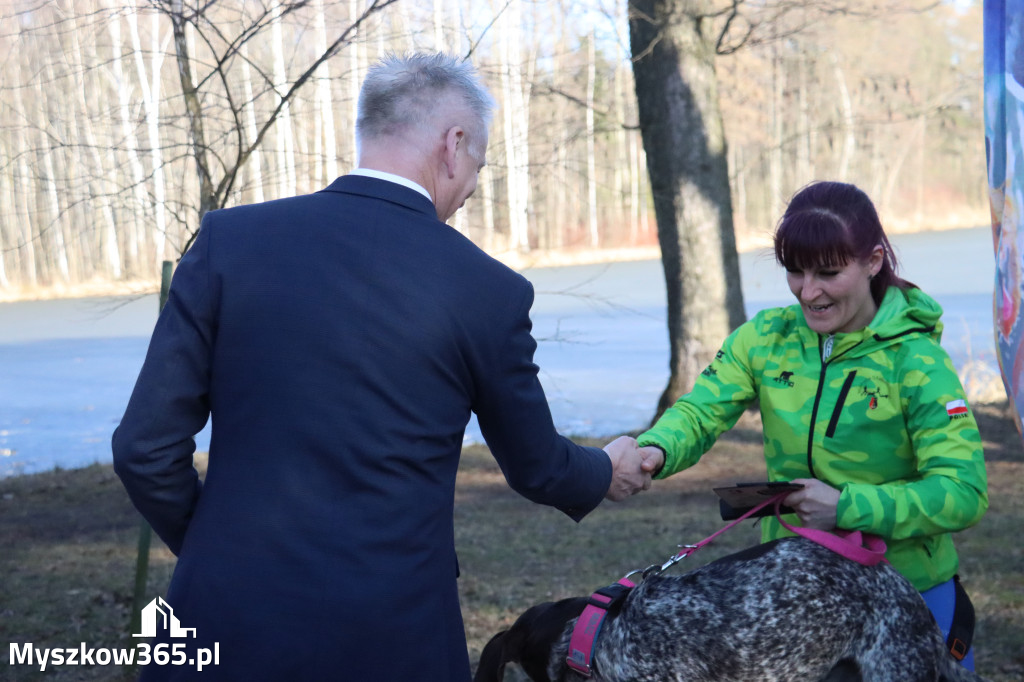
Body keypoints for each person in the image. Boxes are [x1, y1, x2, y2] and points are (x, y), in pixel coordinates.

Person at [112, 52, 651, 681]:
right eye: (477, 164)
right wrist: (603, 469)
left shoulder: (230, 242)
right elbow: (537, 467)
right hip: (393, 635)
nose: (472, 186)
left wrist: (213, 548)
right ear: (454, 145)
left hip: (221, 623)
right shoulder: (486, 289)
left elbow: (144, 447)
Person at [636, 181, 988, 668]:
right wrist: (654, 449)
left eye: (828, 272)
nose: (809, 291)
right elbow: (699, 411)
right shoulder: (764, 338)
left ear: (874, 260)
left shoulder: (918, 362)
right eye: (795, 271)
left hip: (911, 596)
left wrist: (849, 507)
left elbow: (962, 492)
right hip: (798, 603)